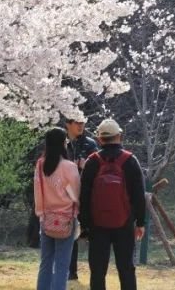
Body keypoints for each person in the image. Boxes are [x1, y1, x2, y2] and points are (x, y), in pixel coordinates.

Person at [78, 118, 146, 290]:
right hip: (124, 222)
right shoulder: (130, 160)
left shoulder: (92, 162)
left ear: (99, 139)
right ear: (119, 136)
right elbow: (139, 195)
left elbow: (84, 196)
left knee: (98, 271)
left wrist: (84, 225)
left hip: (97, 225)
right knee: (126, 268)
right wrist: (140, 222)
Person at [34, 127, 81, 290]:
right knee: (62, 265)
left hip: (46, 218)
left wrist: (41, 213)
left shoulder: (40, 164)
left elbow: (38, 191)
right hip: (66, 219)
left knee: (45, 262)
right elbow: (75, 194)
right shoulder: (69, 166)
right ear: (63, 143)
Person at [64, 111, 99, 280]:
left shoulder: (90, 144)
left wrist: (86, 166)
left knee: (91, 233)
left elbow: (99, 169)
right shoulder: (62, 143)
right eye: (77, 122)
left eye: (82, 122)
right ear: (68, 124)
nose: (81, 126)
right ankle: (71, 272)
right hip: (65, 195)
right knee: (69, 234)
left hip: (86, 195)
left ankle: (96, 274)